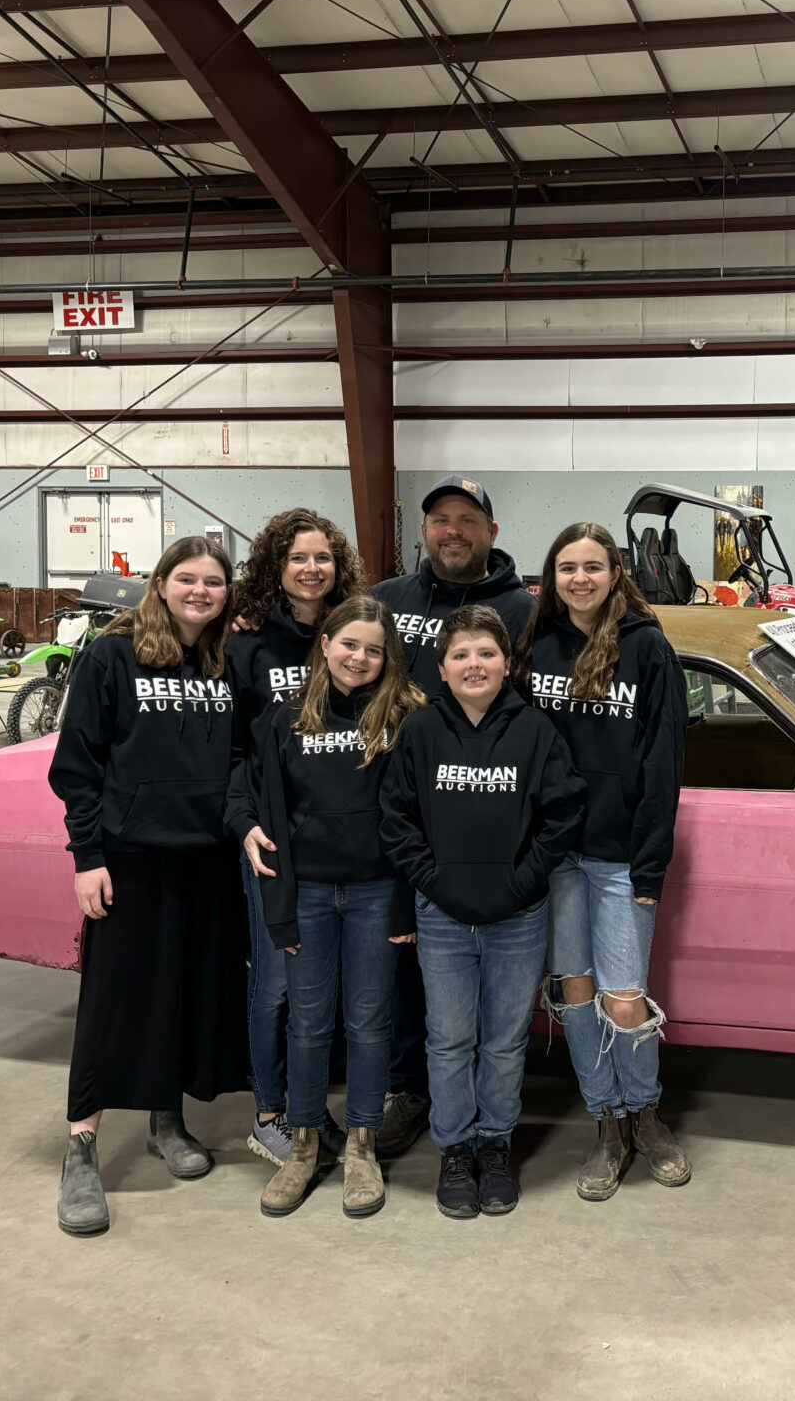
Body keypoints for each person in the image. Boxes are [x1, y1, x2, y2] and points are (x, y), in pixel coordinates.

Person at [48, 536, 246, 1238]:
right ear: (159, 584)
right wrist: (88, 855)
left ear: (228, 591)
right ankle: (81, 1146)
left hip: (208, 859)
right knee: (111, 1004)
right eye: (187, 579)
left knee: (185, 996)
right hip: (130, 859)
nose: (200, 591)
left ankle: (169, 1121)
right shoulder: (113, 654)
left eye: (213, 582)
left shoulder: (226, 661)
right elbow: (77, 765)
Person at [379, 605, 582, 1219]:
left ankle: (495, 1144)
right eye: (461, 654)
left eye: (486, 653)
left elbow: (562, 814)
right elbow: (397, 818)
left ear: (507, 663)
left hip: (518, 916)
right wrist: (434, 880)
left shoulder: (536, 731)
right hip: (441, 915)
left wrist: (522, 882)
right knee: (448, 1040)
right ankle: (455, 1149)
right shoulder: (420, 732)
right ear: (441, 668)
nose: (475, 664)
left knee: (502, 1041)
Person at [226, 594, 423, 1219]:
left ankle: (361, 1144)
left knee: (368, 1022)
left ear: (387, 655)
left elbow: (423, 814)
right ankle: (305, 1145)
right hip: (305, 893)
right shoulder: (285, 716)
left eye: (373, 648)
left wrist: (407, 904)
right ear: (325, 644)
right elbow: (246, 786)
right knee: (308, 1023)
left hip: (376, 893)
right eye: (349, 644)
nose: (360, 657)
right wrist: (243, 825)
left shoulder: (407, 717)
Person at [517, 523, 691, 1199]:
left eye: (593, 566)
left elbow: (662, 767)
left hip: (620, 860)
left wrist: (649, 869)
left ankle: (645, 1110)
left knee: (624, 1001)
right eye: (568, 567)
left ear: (616, 573)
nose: (581, 579)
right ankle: (606, 1123)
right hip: (558, 857)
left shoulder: (648, 651)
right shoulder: (537, 647)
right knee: (576, 995)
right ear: (552, 575)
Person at [370, 476, 535, 1163]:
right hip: (393, 814)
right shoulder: (387, 600)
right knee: (406, 967)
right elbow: (332, 652)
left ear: (492, 532)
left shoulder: (526, 611)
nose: (454, 531)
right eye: (441, 519)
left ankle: (485, 1124)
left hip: (487, 819)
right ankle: (412, 1091)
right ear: (425, 530)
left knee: (483, 1000)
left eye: (468, 519)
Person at [224, 510, 363, 1171]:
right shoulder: (248, 643)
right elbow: (231, 750)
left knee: (321, 991)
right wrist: (243, 821)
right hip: (271, 842)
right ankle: (269, 1115)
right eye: (298, 558)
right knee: (276, 981)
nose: (313, 569)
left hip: (336, 844)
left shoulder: (352, 636)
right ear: (276, 567)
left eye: (324, 558)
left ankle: (309, 1113)